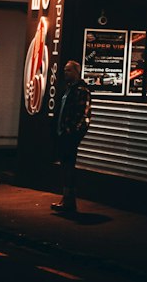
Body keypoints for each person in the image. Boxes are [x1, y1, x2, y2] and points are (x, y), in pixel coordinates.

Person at [51, 60, 91, 217]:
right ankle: (66, 199)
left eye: (68, 70)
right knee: (66, 166)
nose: (65, 73)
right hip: (62, 133)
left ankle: (69, 201)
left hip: (69, 135)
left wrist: (72, 132)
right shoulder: (68, 89)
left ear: (76, 71)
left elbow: (83, 114)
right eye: (65, 70)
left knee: (68, 167)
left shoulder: (81, 90)